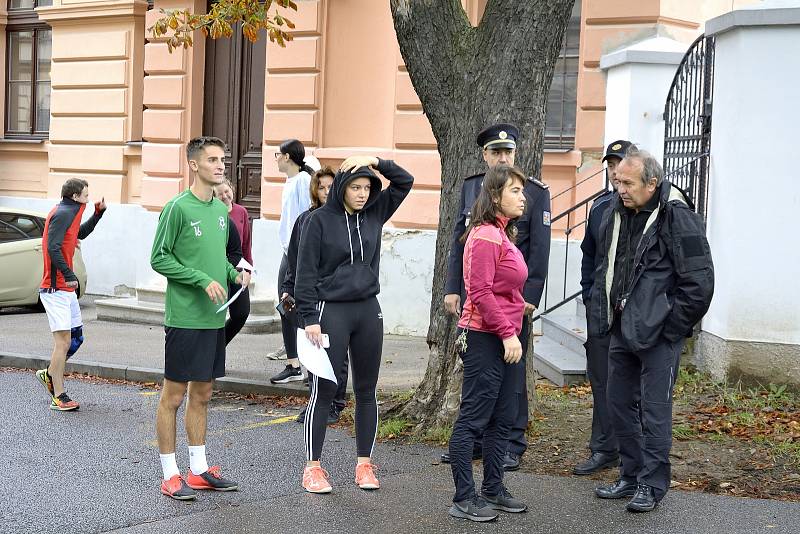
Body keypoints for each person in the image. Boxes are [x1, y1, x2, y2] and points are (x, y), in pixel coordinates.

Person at [590, 146, 714, 512]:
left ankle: (652, 485)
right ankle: (630, 475)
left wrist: (670, 327)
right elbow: (605, 266)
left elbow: (700, 284)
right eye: (616, 182)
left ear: (652, 183)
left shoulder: (677, 216)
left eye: (627, 183)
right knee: (617, 404)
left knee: (655, 411)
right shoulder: (615, 212)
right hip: (621, 328)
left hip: (659, 333)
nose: (620, 189)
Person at [295, 155, 413, 494]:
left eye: (366, 188)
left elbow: (404, 180)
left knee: (366, 390)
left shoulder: (376, 212)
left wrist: (377, 161)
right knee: (324, 391)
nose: (362, 194)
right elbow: (305, 273)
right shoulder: (318, 221)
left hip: (367, 310)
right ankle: (313, 467)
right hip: (330, 311)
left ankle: (364, 465)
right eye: (355, 187)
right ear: (342, 188)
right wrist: (308, 318)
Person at [441, 123, 551, 470]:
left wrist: (530, 293)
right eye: (495, 152)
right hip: (485, 310)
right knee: (481, 386)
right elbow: (458, 240)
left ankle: (511, 444)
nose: (502, 157)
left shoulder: (533, 191)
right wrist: (452, 286)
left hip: (514, 301)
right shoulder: (474, 190)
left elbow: (539, 248)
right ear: (484, 155)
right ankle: (474, 449)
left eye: (508, 152)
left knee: (509, 389)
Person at [150, 136, 251, 501]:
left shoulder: (221, 212)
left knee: (203, 394)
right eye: (212, 159)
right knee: (173, 396)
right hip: (185, 317)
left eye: (222, 159)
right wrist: (201, 279)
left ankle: (197, 471)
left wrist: (232, 273)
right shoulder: (176, 208)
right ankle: (169, 474)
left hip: (214, 318)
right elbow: (159, 258)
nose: (220, 165)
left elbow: (216, 259)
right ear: (194, 164)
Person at [448, 165, 529, 522]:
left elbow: (500, 285)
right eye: (515, 191)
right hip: (486, 338)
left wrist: (517, 305)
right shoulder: (483, 235)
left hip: (506, 337)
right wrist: (508, 332)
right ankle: (464, 497)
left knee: (503, 418)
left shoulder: (502, 234)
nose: (522, 197)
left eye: (522, 191)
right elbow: (479, 292)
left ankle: (493, 489)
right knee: (473, 419)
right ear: (495, 196)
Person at [573, 140, 632, 475]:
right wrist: (588, 294)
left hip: (634, 314)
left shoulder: (645, 207)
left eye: (620, 164)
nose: (614, 171)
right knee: (601, 380)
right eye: (610, 165)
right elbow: (588, 255)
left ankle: (631, 452)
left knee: (632, 384)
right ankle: (604, 448)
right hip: (600, 311)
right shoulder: (600, 207)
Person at [278, 167, 349, 424]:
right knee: (313, 352)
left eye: (331, 186)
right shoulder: (305, 219)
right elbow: (294, 259)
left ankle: (335, 403)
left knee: (337, 354)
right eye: (322, 187)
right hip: (309, 295)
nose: (327, 192)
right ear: (315, 191)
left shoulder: (346, 219)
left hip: (335, 297)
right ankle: (316, 402)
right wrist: (288, 287)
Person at [34, 178, 106, 411]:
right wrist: (68, 274)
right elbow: (52, 247)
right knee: (63, 343)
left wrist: (97, 213)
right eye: (86, 194)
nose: (88, 197)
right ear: (74, 196)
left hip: (65, 289)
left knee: (76, 339)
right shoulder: (63, 213)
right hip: (55, 289)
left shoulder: (71, 212)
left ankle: (49, 373)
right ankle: (59, 395)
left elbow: (80, 234)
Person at [267, 139, 315, 377]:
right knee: (285, 305)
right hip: (288, 252)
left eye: (278, 154)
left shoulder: (304, 181)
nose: (275, 158)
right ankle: (293, 363)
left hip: (299, 253)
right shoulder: (291, 181)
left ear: (287, 157)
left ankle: (310, 366)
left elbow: (309, 217)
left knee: (299, 306)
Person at [213, 178, 253, 345]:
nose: (224, 196)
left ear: (232, 189)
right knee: (216, 316)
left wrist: (248, 270)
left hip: (237, 270)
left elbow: (246, 244)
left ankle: (219, 346)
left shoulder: (241, 212)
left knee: (241, 313)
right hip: (218, 270)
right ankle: (212, 354)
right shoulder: (213, 214)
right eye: (219, 193)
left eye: (226, 191)